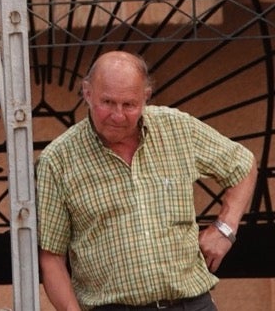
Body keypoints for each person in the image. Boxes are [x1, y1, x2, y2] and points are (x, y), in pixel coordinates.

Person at [37, 51, 255, 311]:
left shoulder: (177, 128)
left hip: (190, 303)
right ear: (87, 93)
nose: (117, 115)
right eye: (107, 102)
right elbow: (51, 257)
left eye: (129, 105)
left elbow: (242, 165)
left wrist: (225, 229)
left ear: (146, 97)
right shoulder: (58, 159)